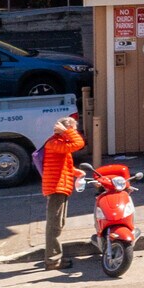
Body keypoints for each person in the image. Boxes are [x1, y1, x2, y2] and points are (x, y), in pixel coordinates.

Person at [39, 115, 84, 269]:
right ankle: (52, 260)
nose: (76, 132)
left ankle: (54, 257)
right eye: (74, 129)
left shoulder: (59, 143)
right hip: (56, 188)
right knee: (54, 225)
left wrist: (77, 173)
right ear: (66, 129)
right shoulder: (54, 143)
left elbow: (62, 165)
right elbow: (79, 143)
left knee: (58, 224)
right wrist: (67, 132)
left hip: (60, 186)